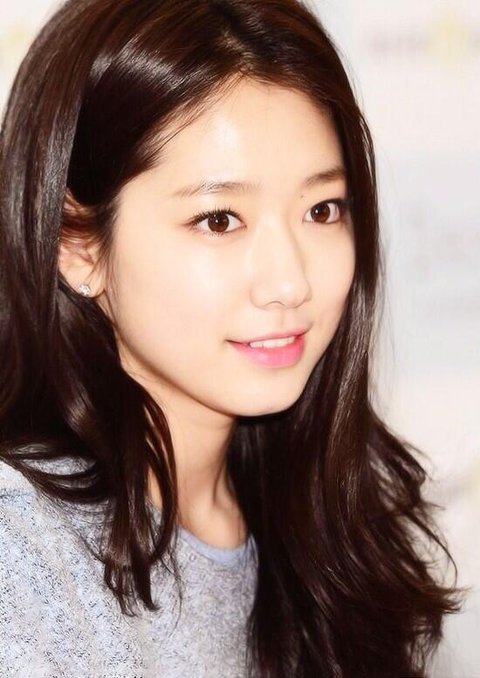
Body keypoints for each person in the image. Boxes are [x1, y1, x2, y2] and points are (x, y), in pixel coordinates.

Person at [0, 0, 460, 675]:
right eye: (219, 220)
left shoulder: (334, 530)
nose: (289, 281)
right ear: (77, 245)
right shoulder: (21, 559)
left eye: (321, 210)